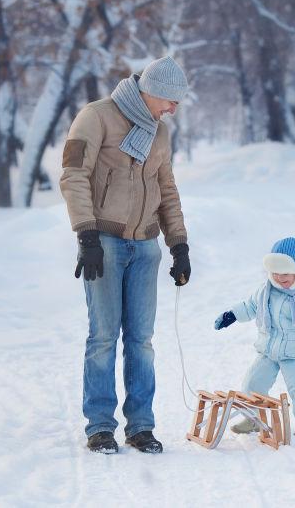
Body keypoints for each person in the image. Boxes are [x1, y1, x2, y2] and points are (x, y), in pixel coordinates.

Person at [59, 56, 191, 454]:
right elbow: (73, 175)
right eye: (169, 101)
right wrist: (86, 235)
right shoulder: (96, 117)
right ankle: (100, 427)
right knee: (102, 337)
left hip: (145, 247)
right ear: (149, 91)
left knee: (142, 341)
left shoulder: (159, 132)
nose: (173, 109)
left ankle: (141, 427)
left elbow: (166, 189)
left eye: (177, 103)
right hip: (106, 242)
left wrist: (179, 244)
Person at [213, 237, 295, 439]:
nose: (280, 278)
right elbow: (251, 306)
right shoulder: (266, 291)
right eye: (275, 273)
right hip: (269, 349)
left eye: (286, 273)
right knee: (252, 383)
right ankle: (252, 419)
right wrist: (233, 315)